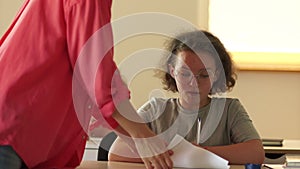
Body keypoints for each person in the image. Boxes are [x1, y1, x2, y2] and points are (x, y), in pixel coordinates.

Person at [0, 0, 173, 169]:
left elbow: (89, 79)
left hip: (21, 131)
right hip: (14, 126)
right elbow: (97, 75)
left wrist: (141, 140)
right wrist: (142, 137)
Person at [108, 30, 265, 165]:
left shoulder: (230, 110)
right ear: (172, 71)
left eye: (204, 75)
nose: (193, 83)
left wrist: (200, 153)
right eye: (184, 74)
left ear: (217, 74)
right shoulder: (156, 108)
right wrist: (180, 154)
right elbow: (116, 152)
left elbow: (255, 153)